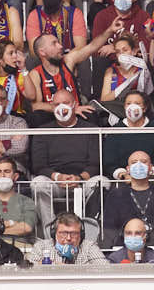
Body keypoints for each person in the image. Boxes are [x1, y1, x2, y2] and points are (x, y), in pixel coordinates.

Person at [29, 88, 105, 228]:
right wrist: (58, 177)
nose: (61, 108)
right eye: (57, 104)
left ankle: (89, 231)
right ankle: (50, 232)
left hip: (83, 180)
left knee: (102, 182)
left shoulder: (91, 129)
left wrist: (80, 178)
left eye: (65, 103)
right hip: (55, 181)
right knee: (37, 183)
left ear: (75, 105)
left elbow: (96, 162)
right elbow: (38, 166)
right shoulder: (42, 131)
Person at [31, 211, 107, 265]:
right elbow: (28, 270)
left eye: (74, 233)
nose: (68, 238)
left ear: (81, 234)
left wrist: (71, 270)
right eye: (63, 233)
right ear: (54, 233)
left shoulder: (89, 247)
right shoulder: (41, 246)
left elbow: (105, 269)